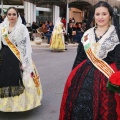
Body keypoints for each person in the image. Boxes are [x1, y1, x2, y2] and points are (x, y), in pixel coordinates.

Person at [59, 1, 120, 119]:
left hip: (107, 77)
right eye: (97, 14)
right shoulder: (87, 34)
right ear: (93, 16)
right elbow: (80, 57)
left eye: (104, 14)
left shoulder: (117, 34)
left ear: (110, 16)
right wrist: (72, 76)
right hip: (83, 75)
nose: (100, 17)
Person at [0, 7, 42, 112]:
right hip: (4, 56)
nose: (11, 16)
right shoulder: (2, 27)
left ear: (17, 15)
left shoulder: (22, 28)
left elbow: (25, 47)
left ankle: (18, 106)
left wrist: (25, 62)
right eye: (9, 14)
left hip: (18, 57)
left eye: (14, 14)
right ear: (6, 16)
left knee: (18, 79)